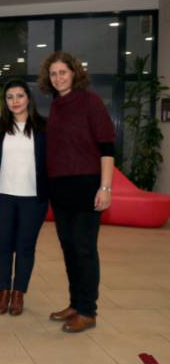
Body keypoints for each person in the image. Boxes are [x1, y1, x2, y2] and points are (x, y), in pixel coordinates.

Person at [38, 51, 114, 333]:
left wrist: (105, 187)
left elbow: (107, 147)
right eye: (53, 73)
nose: (58, 78)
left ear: (74, 73)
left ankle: (88, 311)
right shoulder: (56, 105)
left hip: (86, 186)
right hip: (60, 188)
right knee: (69, 248)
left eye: (63, 72)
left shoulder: (91, 102)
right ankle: (75, 304)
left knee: (84, 249)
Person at [0, 79, 48, 317]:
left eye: (19, 96)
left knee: (25, 247)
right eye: (10, 97)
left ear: (28, 98)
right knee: (3, 246)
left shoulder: (44, 127)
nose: (15, 101)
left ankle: (18, 294)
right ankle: (3, 292)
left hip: (33, 199)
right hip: (2, 197)